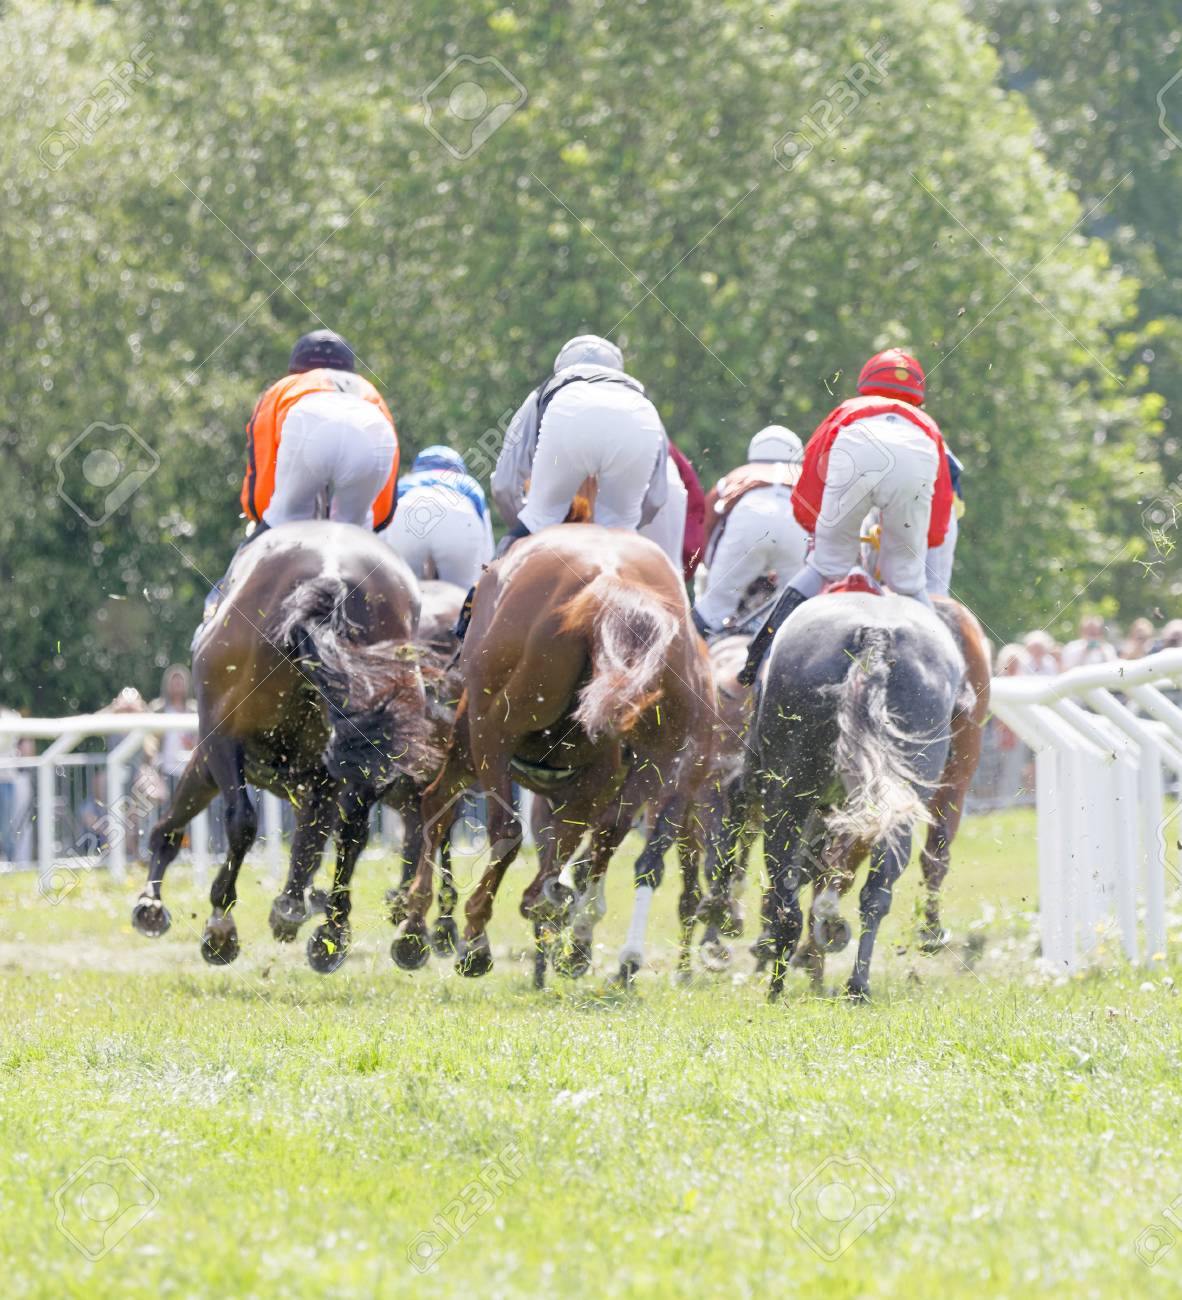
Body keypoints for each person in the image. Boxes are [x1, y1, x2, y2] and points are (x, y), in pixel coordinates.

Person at [738, 348, 954, 684]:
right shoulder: (927, 425)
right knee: (909, 585)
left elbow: (812, 470)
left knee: (824, 568)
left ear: (864, 388)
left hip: (855, 450)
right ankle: (945, 674)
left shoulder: (848, 410)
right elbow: (942, 501)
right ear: (918, 400)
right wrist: (923, 544)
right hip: (916, 461)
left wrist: (816, 531)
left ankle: (757, 656)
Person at [202, 330, 399, 624]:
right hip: (373, 427)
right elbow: (385, 497)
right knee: (356, 538)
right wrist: (369, 526)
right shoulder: (370, 390)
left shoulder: (285, 387)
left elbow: (262, 470)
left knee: (282, 519)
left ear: (297, 367)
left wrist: (265, 521)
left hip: (309, 420)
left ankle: (215, 616)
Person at [490, 334, 669, 550]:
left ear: (561, 367)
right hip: (638, 417)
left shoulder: (546, 389)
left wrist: (527, 526)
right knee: (620, 531)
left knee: (540, 519)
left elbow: (504, 486)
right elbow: (657, 498)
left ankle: (483, 583)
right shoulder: (638, 394)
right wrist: (622, 525)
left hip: (569, 410)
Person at [692, 425, 809, 634]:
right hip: (795, 524)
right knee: (799, 617)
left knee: (711, 611)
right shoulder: (805, 477)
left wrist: (713, 568)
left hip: (750, 517)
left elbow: (706, 525)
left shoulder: (736, 476)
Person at [382, 446, 494, 589]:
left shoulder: (406, 481)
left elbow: (383, 533)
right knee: (464, 597)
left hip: (408, 514)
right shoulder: (468, 482)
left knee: (402, 594)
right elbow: (487, 549)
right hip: (459, 516)